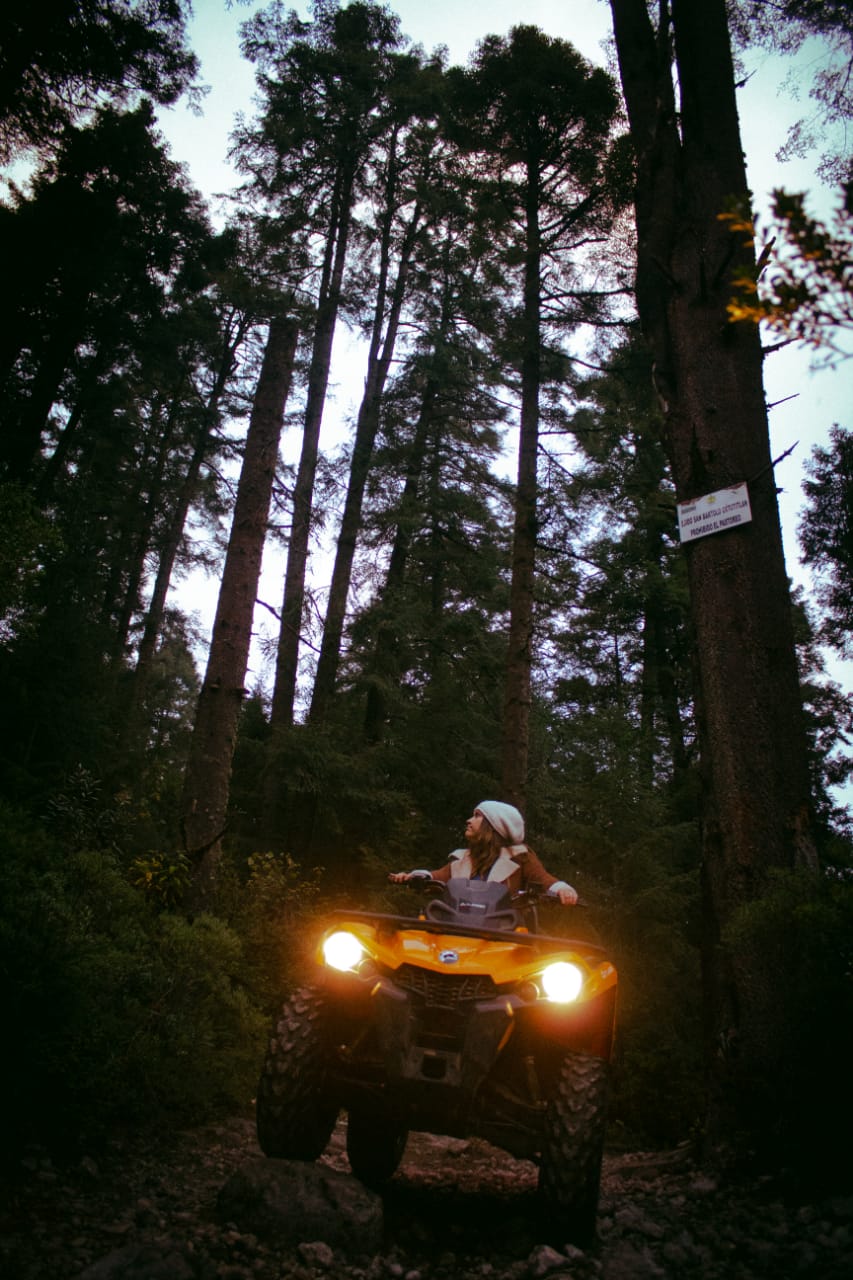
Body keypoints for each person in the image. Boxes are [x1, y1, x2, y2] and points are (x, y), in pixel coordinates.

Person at [389, 800, 578, 905]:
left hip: (505, 932)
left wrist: (563, 889)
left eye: (477, 816)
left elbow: (543, 879)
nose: (469, 820)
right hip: (458, 925)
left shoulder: (520, 857)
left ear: (494, 825)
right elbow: (438, 876)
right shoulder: (462, 858)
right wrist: (414, 876)